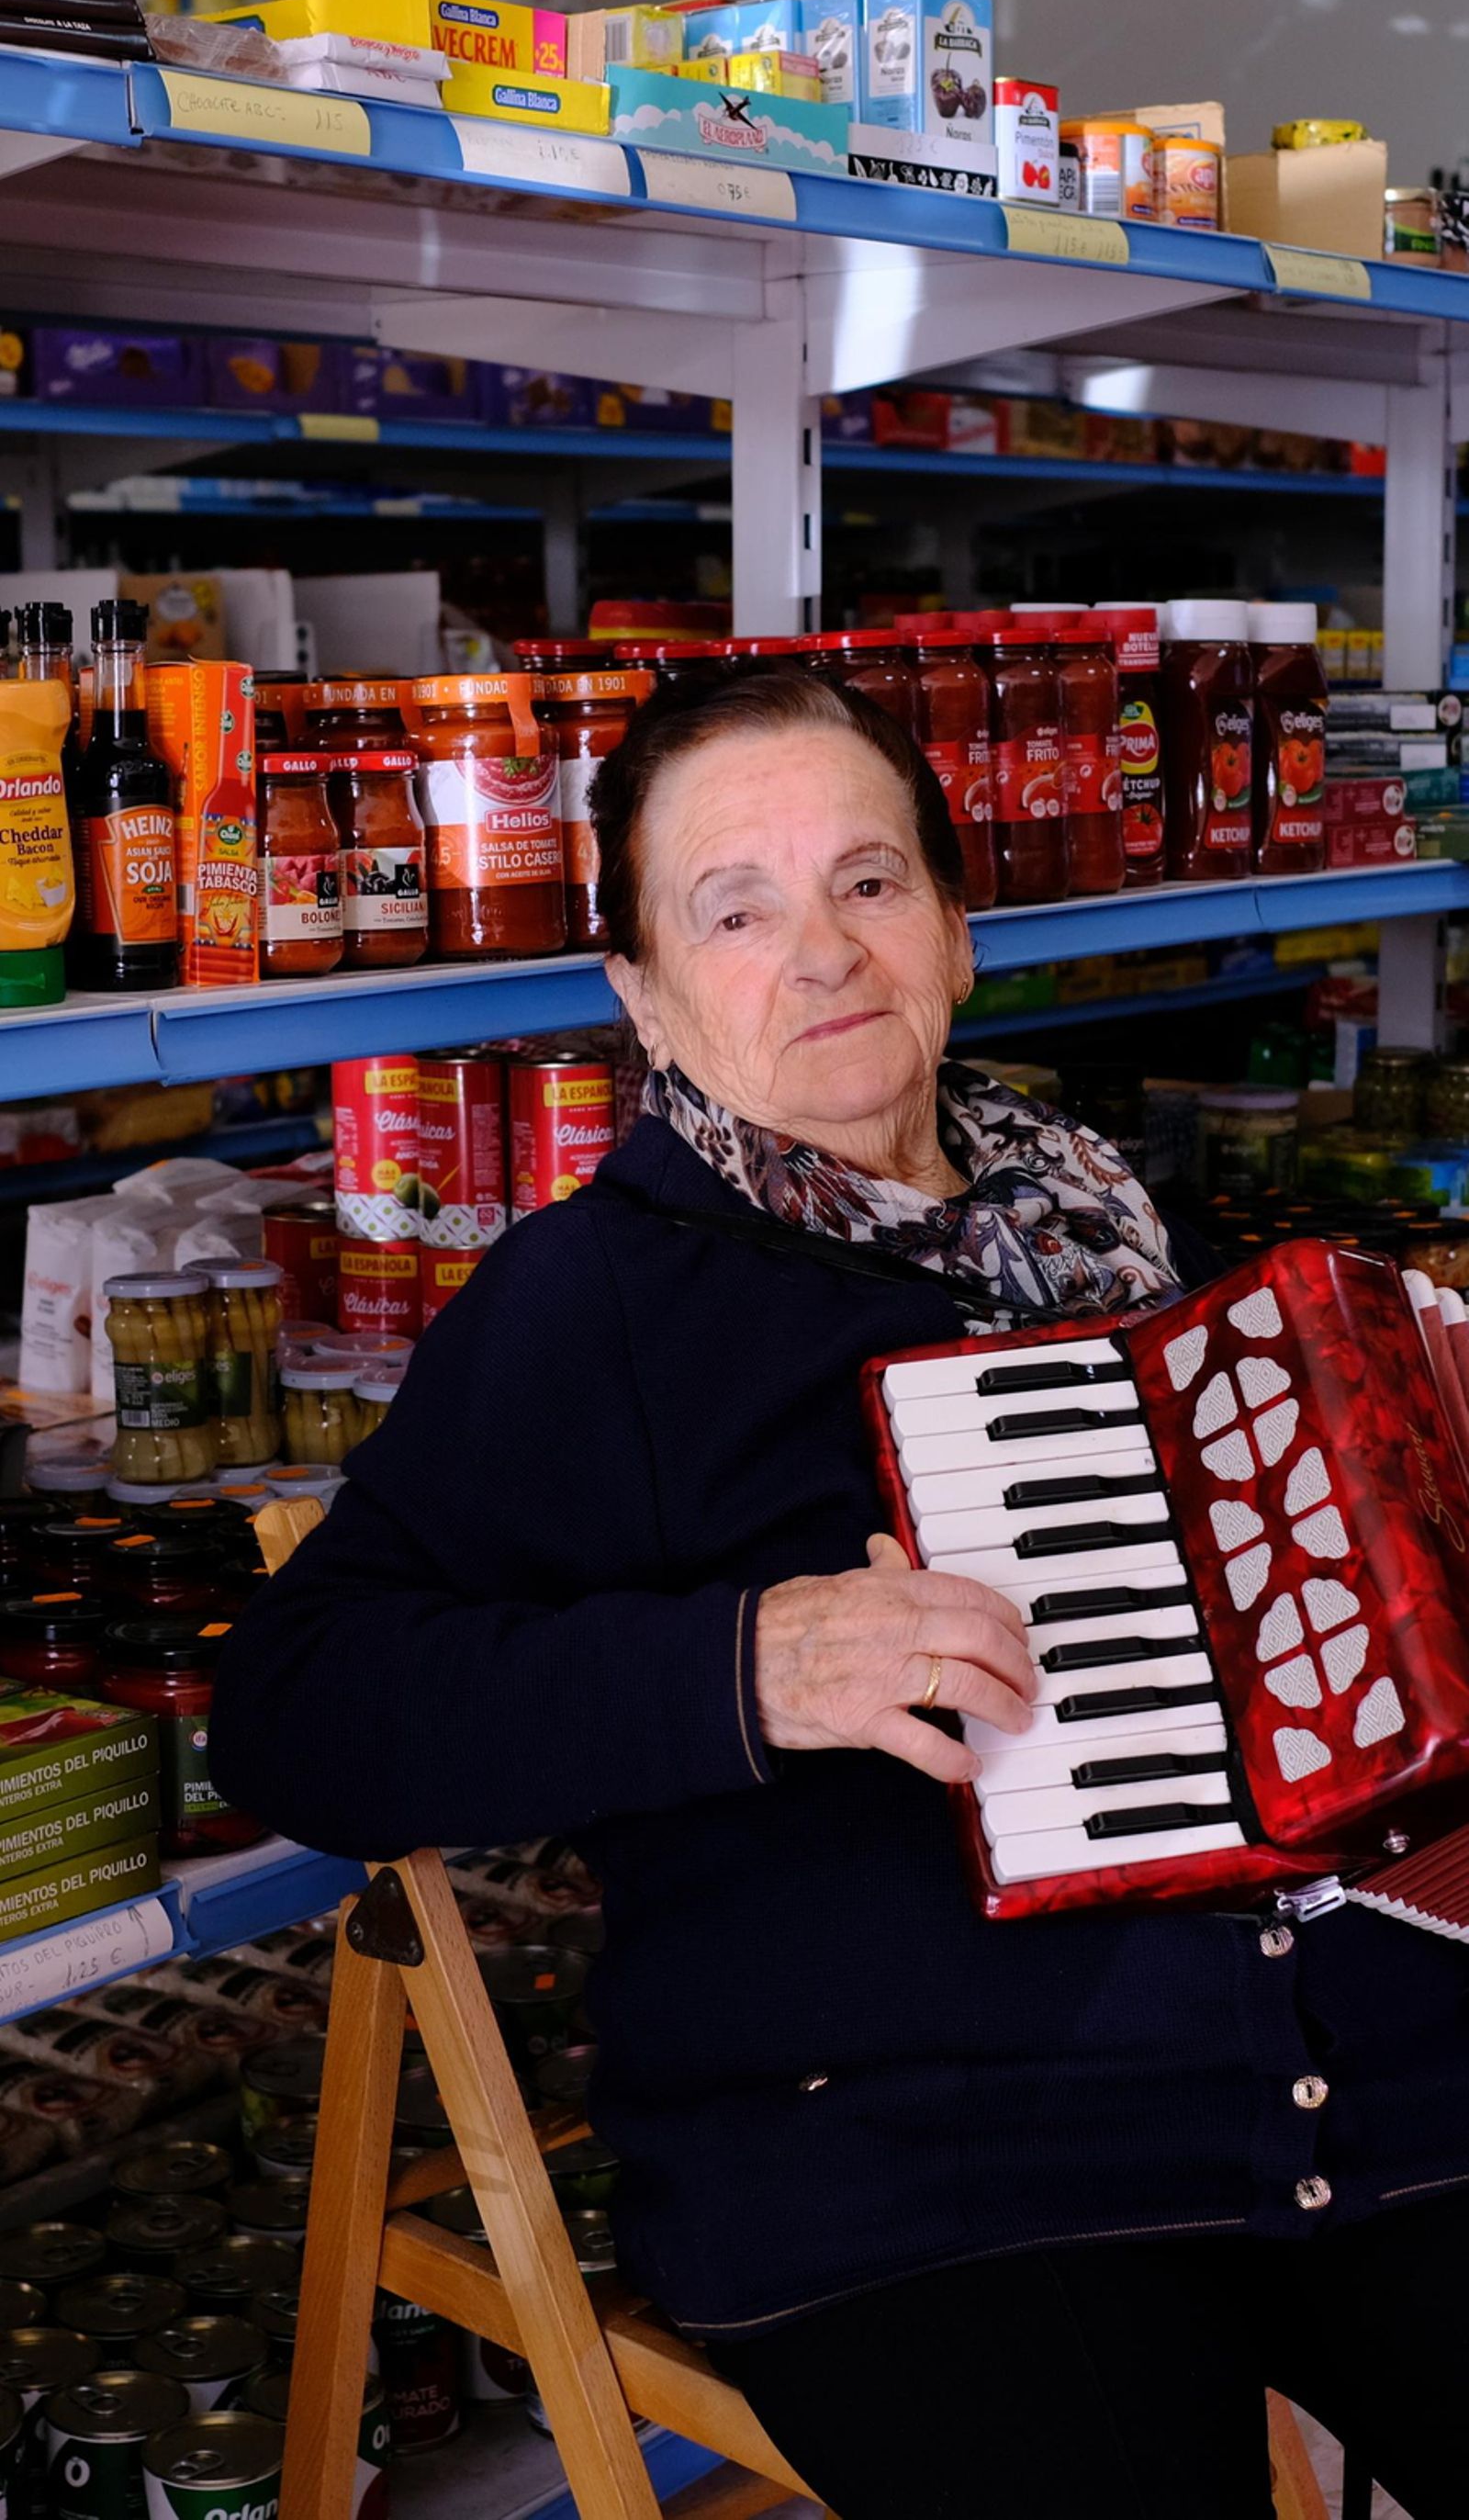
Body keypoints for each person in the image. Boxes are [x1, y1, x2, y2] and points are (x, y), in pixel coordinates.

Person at [210, 674, 1469, 2520]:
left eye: (868, 884)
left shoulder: (1131, 1229)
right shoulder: (590, 1308)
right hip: (929, 2168)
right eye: (734, 909)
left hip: (1377, 2094)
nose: (820, 955)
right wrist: (750, 1664)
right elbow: (298, 1713)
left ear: (952, 928)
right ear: (640, 995)